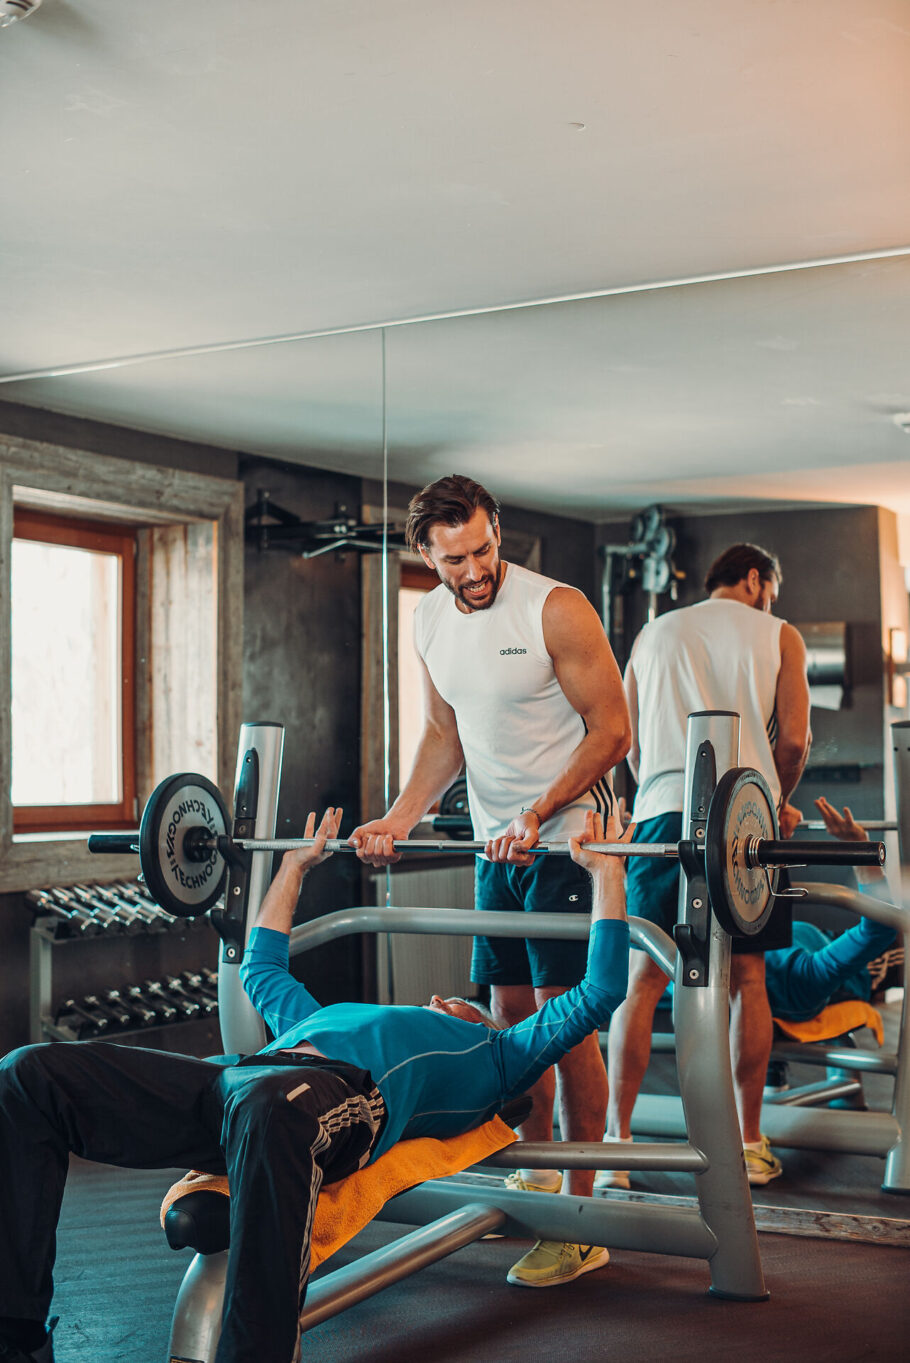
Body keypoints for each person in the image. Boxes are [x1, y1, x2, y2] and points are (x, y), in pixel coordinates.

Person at [0, 807, 630, 1363]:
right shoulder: (321, 1017)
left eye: (460, 1002)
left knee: (275, 1106)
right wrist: (296, 865)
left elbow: (598, 991)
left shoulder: (498, 1057)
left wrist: (607, 874)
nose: (440, 998)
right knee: (26, 1075)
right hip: (231, 1083)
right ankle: (17, 1336)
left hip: (335, 1099)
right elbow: (260, 965)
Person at [349, 473, 631, 1287]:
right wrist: (401, 815)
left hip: (569, 841)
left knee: (567, 1023)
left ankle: (582, 1217)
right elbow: (444, 733)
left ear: (497, 529)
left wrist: (537, 812)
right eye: (453, 560)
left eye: (481, 550)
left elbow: (613, 730)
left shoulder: (555, 608)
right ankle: (539, 1170)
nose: (473, 570)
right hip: (495, 846)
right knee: (510, 1016)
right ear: (425, 555)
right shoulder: (429, 619)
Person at [602, 542, 811, 1190]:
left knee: (642, 980)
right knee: (748, 978)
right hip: (747, 820)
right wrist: (778, 799)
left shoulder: (653, 631)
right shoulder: (779, 633)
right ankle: (747, 1142)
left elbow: (626, 738)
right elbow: (794, 741)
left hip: (663, 812)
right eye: (770, 590)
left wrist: (653, 793)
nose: (770, 601)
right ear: (754, 579)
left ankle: (616, 1146)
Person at [763, 797, 896, 1023]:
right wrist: (858, 844)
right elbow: (883, 925)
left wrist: (776, 811)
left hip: (823, 941)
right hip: (864, 968)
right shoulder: (798, 983)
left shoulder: (722, 947)